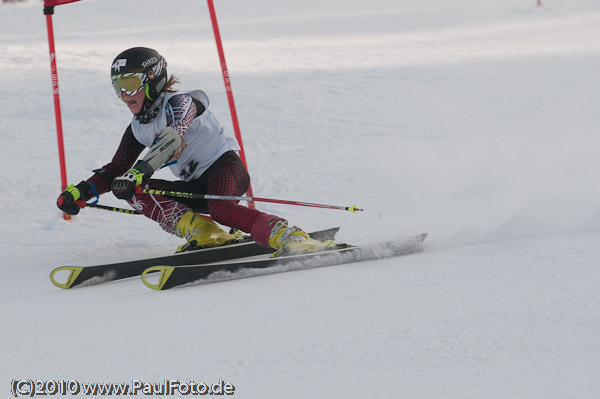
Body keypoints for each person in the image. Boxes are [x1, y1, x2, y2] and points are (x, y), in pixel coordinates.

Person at [56, 47, 332, 255]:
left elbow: (174, 135)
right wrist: (81, 192)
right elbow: (115, 170)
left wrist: (139, 171)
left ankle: (287, 236)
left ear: (152, 79)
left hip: (226, 168)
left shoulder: (181, 102)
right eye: (118, 88)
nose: (125, 95)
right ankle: (206, 233)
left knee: (221, 208)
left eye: (130, 85)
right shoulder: (137, 127)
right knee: (132, 189)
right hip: (195, 184)